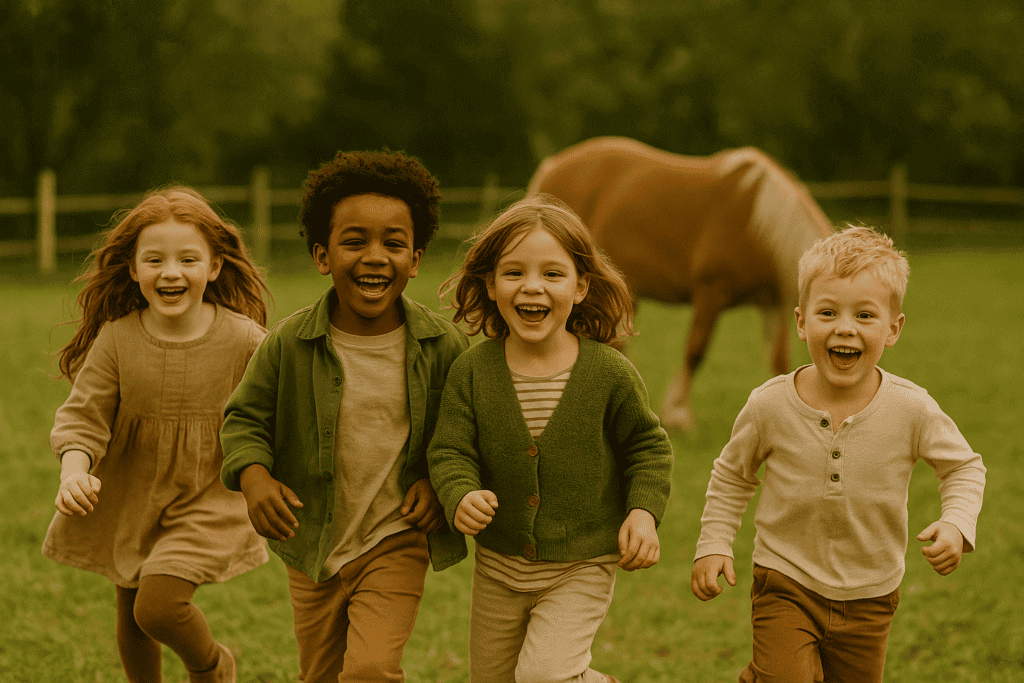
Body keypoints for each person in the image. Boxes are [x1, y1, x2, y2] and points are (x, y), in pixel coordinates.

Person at [690, 225, 986, 683]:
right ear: (802, 322)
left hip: (872, 593)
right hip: (785, 580)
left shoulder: (911, 408)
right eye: (828, 312)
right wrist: (713, 544)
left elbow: (964, 468)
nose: (844, 327)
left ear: (893, 328)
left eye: (865, 316)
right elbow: (733, 476)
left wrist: (956, 522)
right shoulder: (770, 405)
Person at [219, 149, 468, 683]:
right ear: (321, 255)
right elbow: (243, 420)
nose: (375, 256)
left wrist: (437, 481)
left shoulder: (443, 346)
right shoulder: (290, 343)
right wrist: (255, 478)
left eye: (393, 244)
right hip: (311, 539)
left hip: (396, 536)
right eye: (354, 241)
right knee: (321, 675)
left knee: (371, 669)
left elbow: (466, 432)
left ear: (416, 259)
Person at [428, 194, 674, 683]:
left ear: (581, 286)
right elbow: (450, 449)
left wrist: (643, 514)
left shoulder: (608, 373)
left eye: (552, 274)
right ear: (491, 285)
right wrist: (460, 493)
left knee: (541, 677)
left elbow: (648, 448)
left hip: (581, 566)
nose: (532, 287)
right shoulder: (472, 371)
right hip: (499, 567)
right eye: (514, 273)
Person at [44, 186, 273, 683]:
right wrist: (72, 472)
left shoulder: (244, 341)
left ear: (213, 266)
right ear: (133, 269)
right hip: (132, 492)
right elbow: (84, 417)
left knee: (158, 605)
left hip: (209, 496)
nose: (171, 272)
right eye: (155, 259)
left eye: (188, 259)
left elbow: (277, 413)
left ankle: (211, 666)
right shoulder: (118, 337)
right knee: (130, 609)